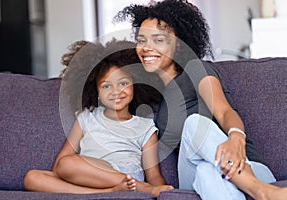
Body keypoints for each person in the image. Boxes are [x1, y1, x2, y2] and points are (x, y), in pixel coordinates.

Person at [115, 0, 287, 199]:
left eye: (158, 40)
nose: (146, 48)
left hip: (248, 166)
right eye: (142, 40)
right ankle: (261, 193)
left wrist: (236, 138)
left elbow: (224, 111)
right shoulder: (152, 95)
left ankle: (259, 188)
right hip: (193, 174)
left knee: (198, 138)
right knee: (203, 170)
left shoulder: (195, 69)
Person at [23, 39, 173, 197]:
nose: (116, 91)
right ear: (96, 92)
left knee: (68, 163)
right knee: (32, 178)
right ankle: (104, 193)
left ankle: (137, 187)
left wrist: (159, 191)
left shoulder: (145, 126)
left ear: (135, 84)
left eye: (123, 83)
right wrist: (81, 174)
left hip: (128, 178)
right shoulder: (87, 118)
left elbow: (153, 175)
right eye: (106, 86)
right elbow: (60, 165)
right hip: (88, 177)